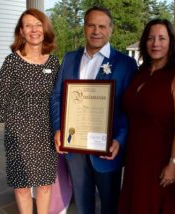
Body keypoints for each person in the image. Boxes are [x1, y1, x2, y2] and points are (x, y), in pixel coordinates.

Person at [50, 6, 138, 214]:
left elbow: (130, 108)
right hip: (75, 148)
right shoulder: (69, 59)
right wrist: (57, 128)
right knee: (82, 205)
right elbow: (57, 96)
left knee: (110, 205)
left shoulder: (125, 64)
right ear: (84, 27)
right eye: (91, 25)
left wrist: (120, 139)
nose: (96, 31)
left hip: (107, 149)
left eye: (101, 26)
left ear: (111, 29)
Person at [118, 19, 175, 214]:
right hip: (135, 158)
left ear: (171, 42)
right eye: (150, 38)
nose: (155, 43)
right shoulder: (139, 73)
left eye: (161, 38)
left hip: (161, 161)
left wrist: (174, 163)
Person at [0, 8, 60, 214]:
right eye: (28, 25)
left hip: (46, 133)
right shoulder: (11, 62)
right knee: (22, 188)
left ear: (45, 29)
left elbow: (59, 98)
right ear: (21, 32)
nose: (34, 29)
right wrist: (15, 125)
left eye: (38, 24)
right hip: (19, 134)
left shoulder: (53, 62)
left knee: (45, 185)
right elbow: (2, 101)